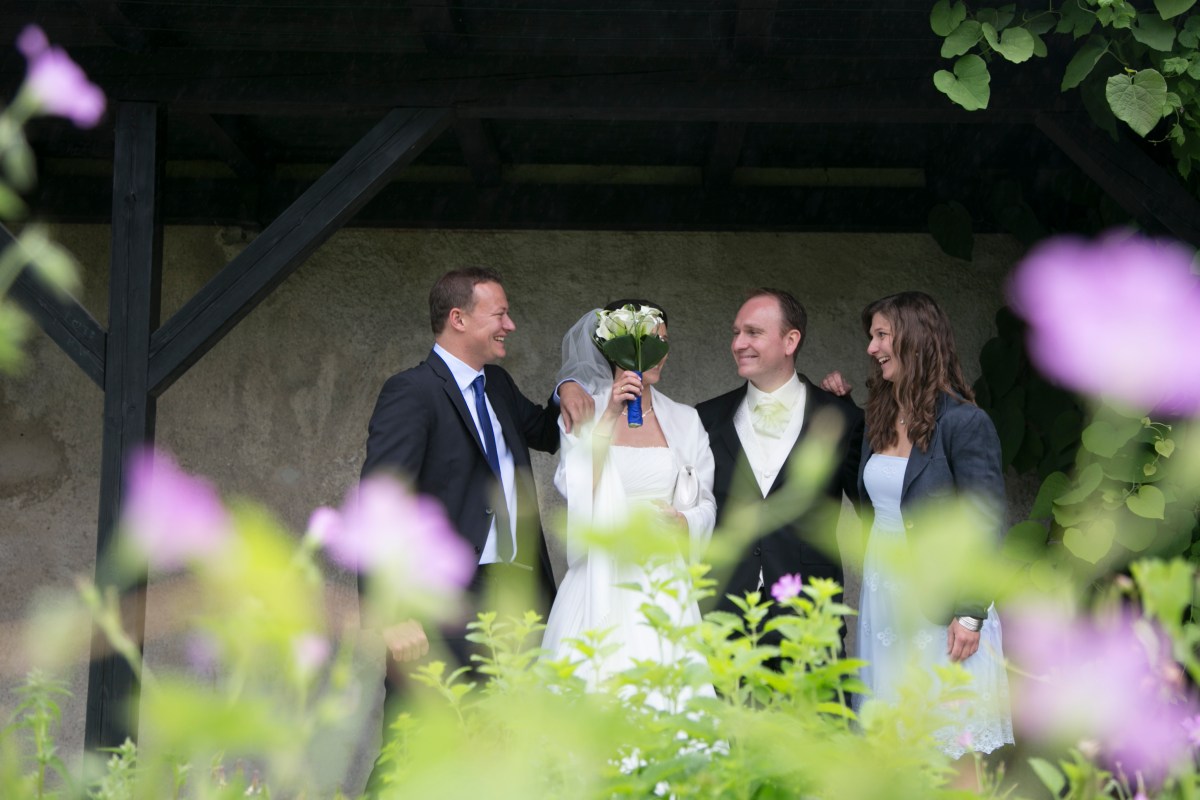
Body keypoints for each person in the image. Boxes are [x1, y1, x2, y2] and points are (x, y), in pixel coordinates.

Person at [359, 268, 592, 792]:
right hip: (440, 603)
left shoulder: (499, 386)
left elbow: (548, 430)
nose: (510, 324)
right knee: (417, 745)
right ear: (458, 319)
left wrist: (569, 385)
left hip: (516, 596)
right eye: (499, 314)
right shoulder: (412, 391)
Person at [829, 290, 1013, 759]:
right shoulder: (880, 417)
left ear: (915, 339)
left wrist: (970, 611)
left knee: (950, 738)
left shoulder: (965, 423)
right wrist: (839, 405)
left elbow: (985, 523)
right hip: (885, 593)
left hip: (943, 600)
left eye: (881, 335)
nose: (871, 347)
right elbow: (871, 493)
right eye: (871, 336)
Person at [543, 301, 717, 694]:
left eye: (664, 342)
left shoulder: (686, 419)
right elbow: (575, 489)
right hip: (599, 575)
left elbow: (706, 503)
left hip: (664, 579)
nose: (661, 353)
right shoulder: (583, 409)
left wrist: (683, 522)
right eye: (650, 342)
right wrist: (608, 416)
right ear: (616, 348)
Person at [695, 289, 863, 646]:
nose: (738, 343)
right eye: (736, 333)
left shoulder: (842, 418)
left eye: (753, 332)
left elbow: (874, 512)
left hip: (809, 617)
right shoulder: (705, 418)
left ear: (791, 341)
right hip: (722, 615)